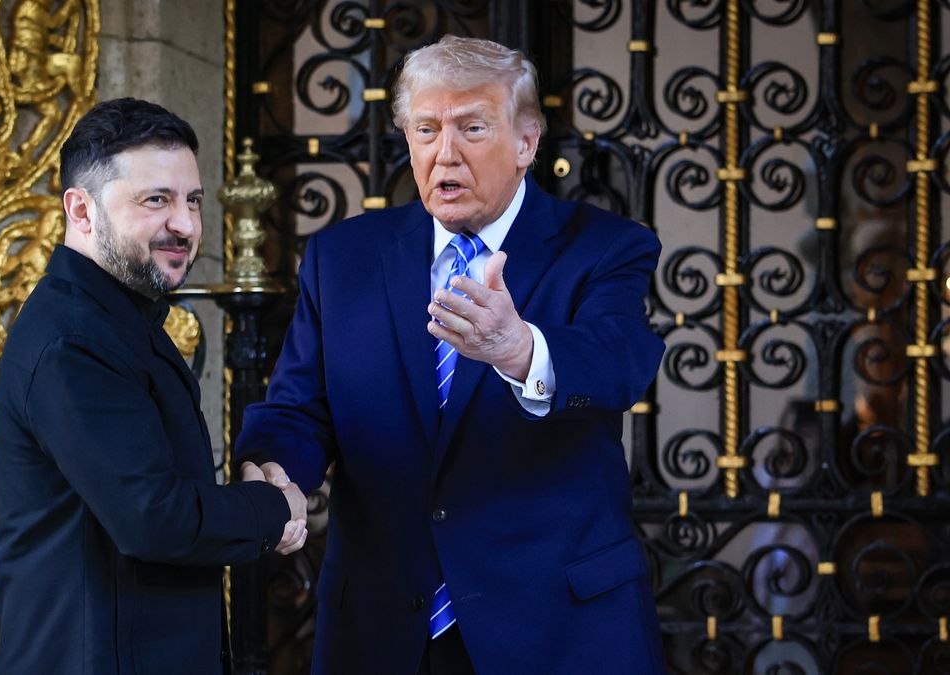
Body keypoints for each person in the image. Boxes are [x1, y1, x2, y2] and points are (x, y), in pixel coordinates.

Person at [237, 36, 667, 674]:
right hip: (384, 626)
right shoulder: (343, 258)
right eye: (426, 128)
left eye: (472, 127)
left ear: (526, 142)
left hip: (556, 627)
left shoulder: (606, 247)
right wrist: (277, 475)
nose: (445, 153)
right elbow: (302, 406)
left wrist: (518, 348)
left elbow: (617, 362)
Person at [0, 98, 308, 675]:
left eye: (192, 200)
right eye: (155, 200)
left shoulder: (120, 317)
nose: (185, 225)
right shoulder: (73, 340)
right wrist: (274, 508)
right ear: (81, 211)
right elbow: (154, 519)